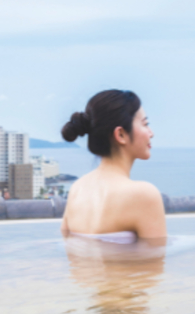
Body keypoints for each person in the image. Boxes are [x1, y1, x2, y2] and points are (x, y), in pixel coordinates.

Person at [59, 89, 165, 243]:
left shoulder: (77, 189)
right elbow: (155, 264)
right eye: (145, 124)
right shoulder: (143, 195)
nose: (151, 133)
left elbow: (70, 250)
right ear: (121, 134)